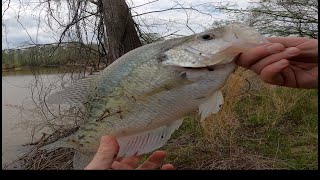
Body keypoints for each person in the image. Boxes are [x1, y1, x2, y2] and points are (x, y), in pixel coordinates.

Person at [85, 36, 318, 170]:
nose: (216, 40)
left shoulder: (211, 67)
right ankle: (84, 143)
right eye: (207, 37)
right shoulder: (179, 67)